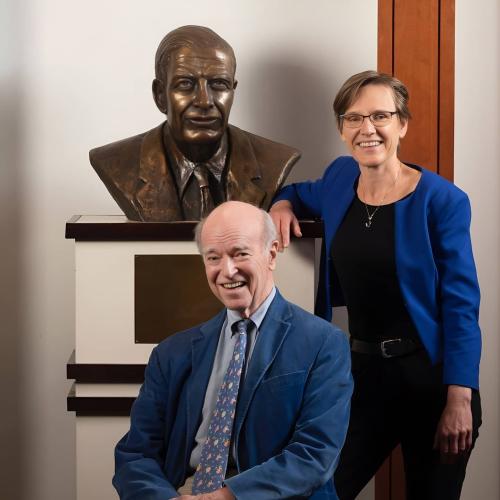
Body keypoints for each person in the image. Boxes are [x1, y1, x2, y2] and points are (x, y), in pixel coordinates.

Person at [270, 71, 481, 500]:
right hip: (361, 376)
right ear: (342, 128)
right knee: (320, 490)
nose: (367, 129)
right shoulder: (338, 179)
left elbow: (461, 305)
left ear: (402, 124)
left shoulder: (442, 201)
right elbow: (296, 189)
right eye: (354, 118)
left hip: (431, 380)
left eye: (380, 116)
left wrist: (460, 398)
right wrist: (281, 202)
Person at [113, 201, 353, 499]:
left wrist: (227, 497)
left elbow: (315, 454)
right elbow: (135, 454)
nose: (227, 271)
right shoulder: (171, 353)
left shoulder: (323, 343)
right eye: (213, 258)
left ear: (272, 254)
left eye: (240, 253)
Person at [89, 25, 300, 222]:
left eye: (219, 84)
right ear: (160, 95)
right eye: (185, 84)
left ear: (233, 90)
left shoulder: (276, 160)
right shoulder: (115, 161)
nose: (204, 101)